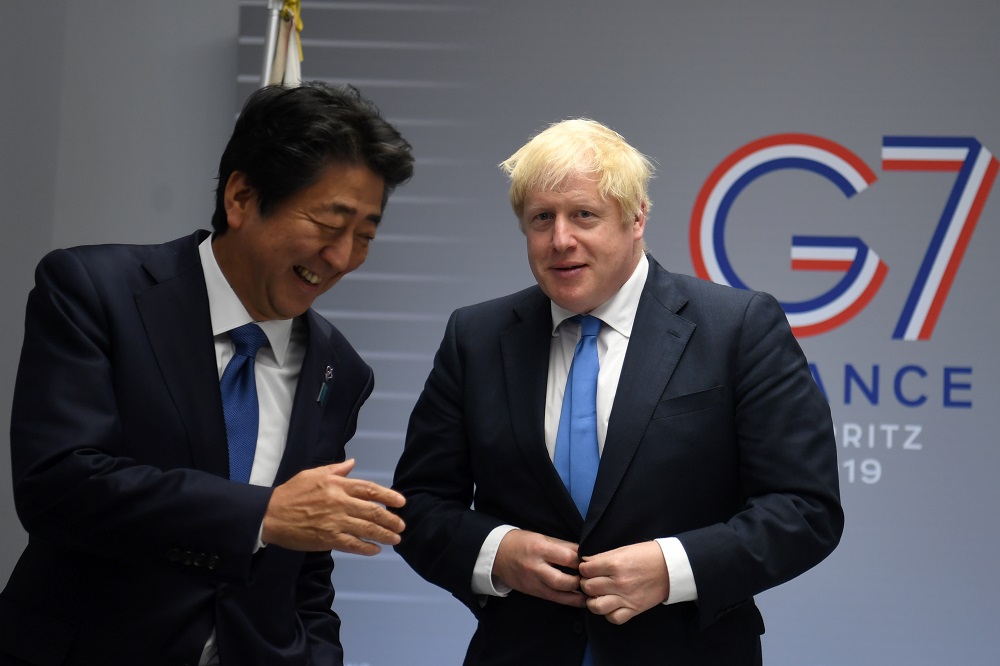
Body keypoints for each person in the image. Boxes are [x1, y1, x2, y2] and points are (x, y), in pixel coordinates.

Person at [392, 118, 843, 665]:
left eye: (584, 214)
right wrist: (497, 554)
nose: (561, 239)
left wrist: (673, 568)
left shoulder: (738, 327)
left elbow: (804, 508)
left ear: (636, 219)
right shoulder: (476, 337)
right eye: (542, 219)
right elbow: (418, 505)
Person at [0, 82, 414, 666]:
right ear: (242, 197)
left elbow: (307, 571)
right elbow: (59, 485)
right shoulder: (96, 291)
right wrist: (261, 515)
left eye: (365, 236)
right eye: (329, 223)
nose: (343, 258)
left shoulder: (339, 370)